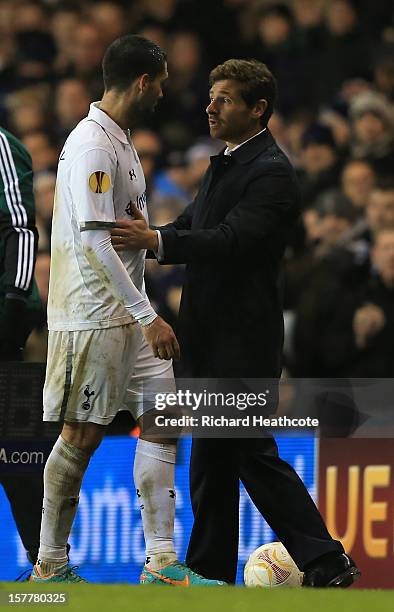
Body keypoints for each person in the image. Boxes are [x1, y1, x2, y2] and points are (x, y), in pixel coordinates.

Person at [111, 58, 360, 586]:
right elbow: (193, 224)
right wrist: (155, 232)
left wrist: (156, 241)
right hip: (209, 337)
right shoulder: (225, 163)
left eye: (224, 98)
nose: (210, 106)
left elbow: (230, 240)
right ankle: (211, 572)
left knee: (248, 452)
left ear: (258, 108)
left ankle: (325, 558)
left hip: (242, 340)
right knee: (213, 462)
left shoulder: (271, 172)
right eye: (211, 95)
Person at [30, 35, 223, 586]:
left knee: (164, 423)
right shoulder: (93, 146)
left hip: (128, 317)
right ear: (143, 81)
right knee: (81, 437)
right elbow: (94, 244)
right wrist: (149, 315)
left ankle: (162, 563)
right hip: (92, 316)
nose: (163, 94)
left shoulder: (122, 140)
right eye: (160, 84)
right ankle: (50, 565)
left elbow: (122, 231)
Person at [0, 125, 44, 569]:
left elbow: (20, 226)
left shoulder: (2, 146)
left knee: (16, 458)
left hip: (1, 328)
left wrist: (14, 301)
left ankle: (47, 561)